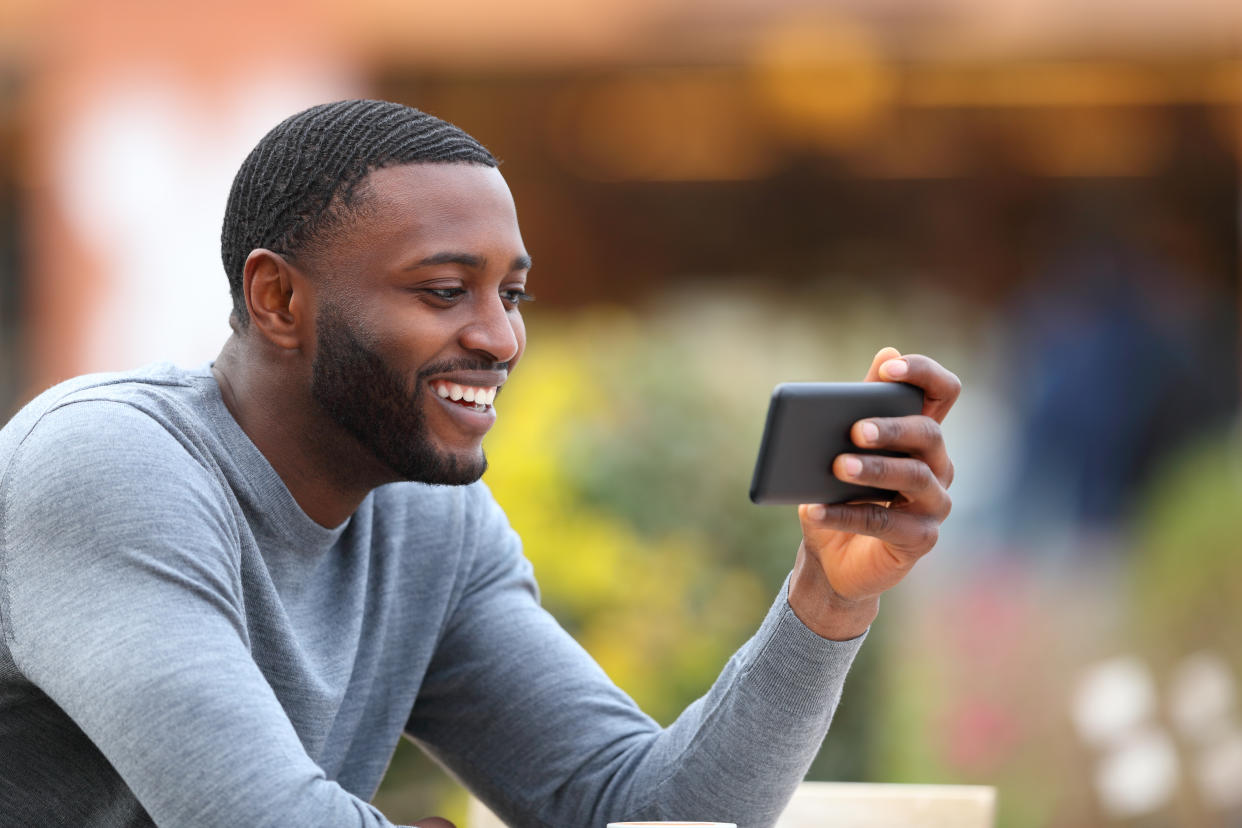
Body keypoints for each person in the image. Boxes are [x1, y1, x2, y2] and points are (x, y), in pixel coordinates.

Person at [0, 100, 959, 828]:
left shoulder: (428, 519)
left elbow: (642, 813)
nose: (500, 337)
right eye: (446, 290)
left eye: (514, 294)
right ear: (278, 299)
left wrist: (825, 601)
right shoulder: (107, 469)